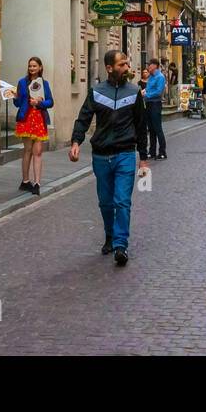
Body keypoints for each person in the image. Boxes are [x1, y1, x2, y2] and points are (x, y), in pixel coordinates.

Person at [70, 50, 150, 266]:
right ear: (109, 68)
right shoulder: (96, 92)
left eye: (126, 64)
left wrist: (143, 158)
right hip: (101, 156)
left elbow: (142, 127)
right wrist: (76, 142)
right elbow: (83, 118)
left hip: (125, 154)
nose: (126, 68)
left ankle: (121, 245)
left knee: (122, 201)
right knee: (105, 202)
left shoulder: (134, 92)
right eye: (122, 65)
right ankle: (109, 235)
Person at [13, 56, 51, 195]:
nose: (32, 68)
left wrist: (40, 103)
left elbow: (50, 102)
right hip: (26, 118)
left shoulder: (44, 83)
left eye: (34, 66)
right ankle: (25, 181)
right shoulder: (22, 83)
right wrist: (15, 97)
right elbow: (17, 103)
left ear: (40, 67)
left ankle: (37, 183)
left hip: (39, 119)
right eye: (30, 66)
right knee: (27, 150)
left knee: (38, 151)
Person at [143, 59, 167, 160]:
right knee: (151, 129)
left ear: (155, 66)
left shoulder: (160, 77)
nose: (148, 66)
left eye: (149, 65)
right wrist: (144, 91)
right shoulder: (150, 77)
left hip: (155, 104)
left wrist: (146, 94)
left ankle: (162, 152)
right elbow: (149, 89)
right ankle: (152, 151)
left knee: (157, 129)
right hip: (148, 104)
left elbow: (158, 92)